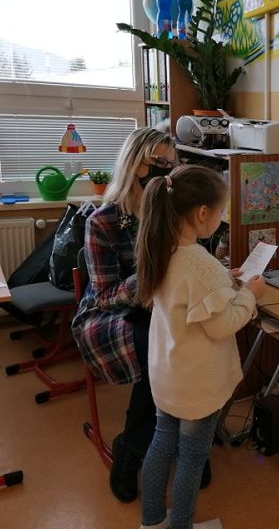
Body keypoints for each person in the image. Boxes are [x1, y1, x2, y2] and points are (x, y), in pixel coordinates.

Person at [72, 127, 202, 504]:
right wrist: (150, 276)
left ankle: (185, 440)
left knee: (199, 339)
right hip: (113, 314)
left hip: (162, 306)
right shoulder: (103, 221)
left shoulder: (172, 215)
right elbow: (106, 296)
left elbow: (190, 266)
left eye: (170, 165)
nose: (165, 172)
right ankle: (131, 448)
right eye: (157, 163)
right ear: (135, 164)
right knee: (158, 349)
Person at [135, 165, 265, 529]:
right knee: (192, 459)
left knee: (162, 443)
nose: (222, 218)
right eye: (221, 211)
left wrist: (224, 280)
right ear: (202, 213)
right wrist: (250, 295)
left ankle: (152, 522)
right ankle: (182, 525)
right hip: (197, 384)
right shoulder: (201, 264)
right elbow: (223, 324)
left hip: (168, 375)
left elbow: (188, 293)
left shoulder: (160, 249)